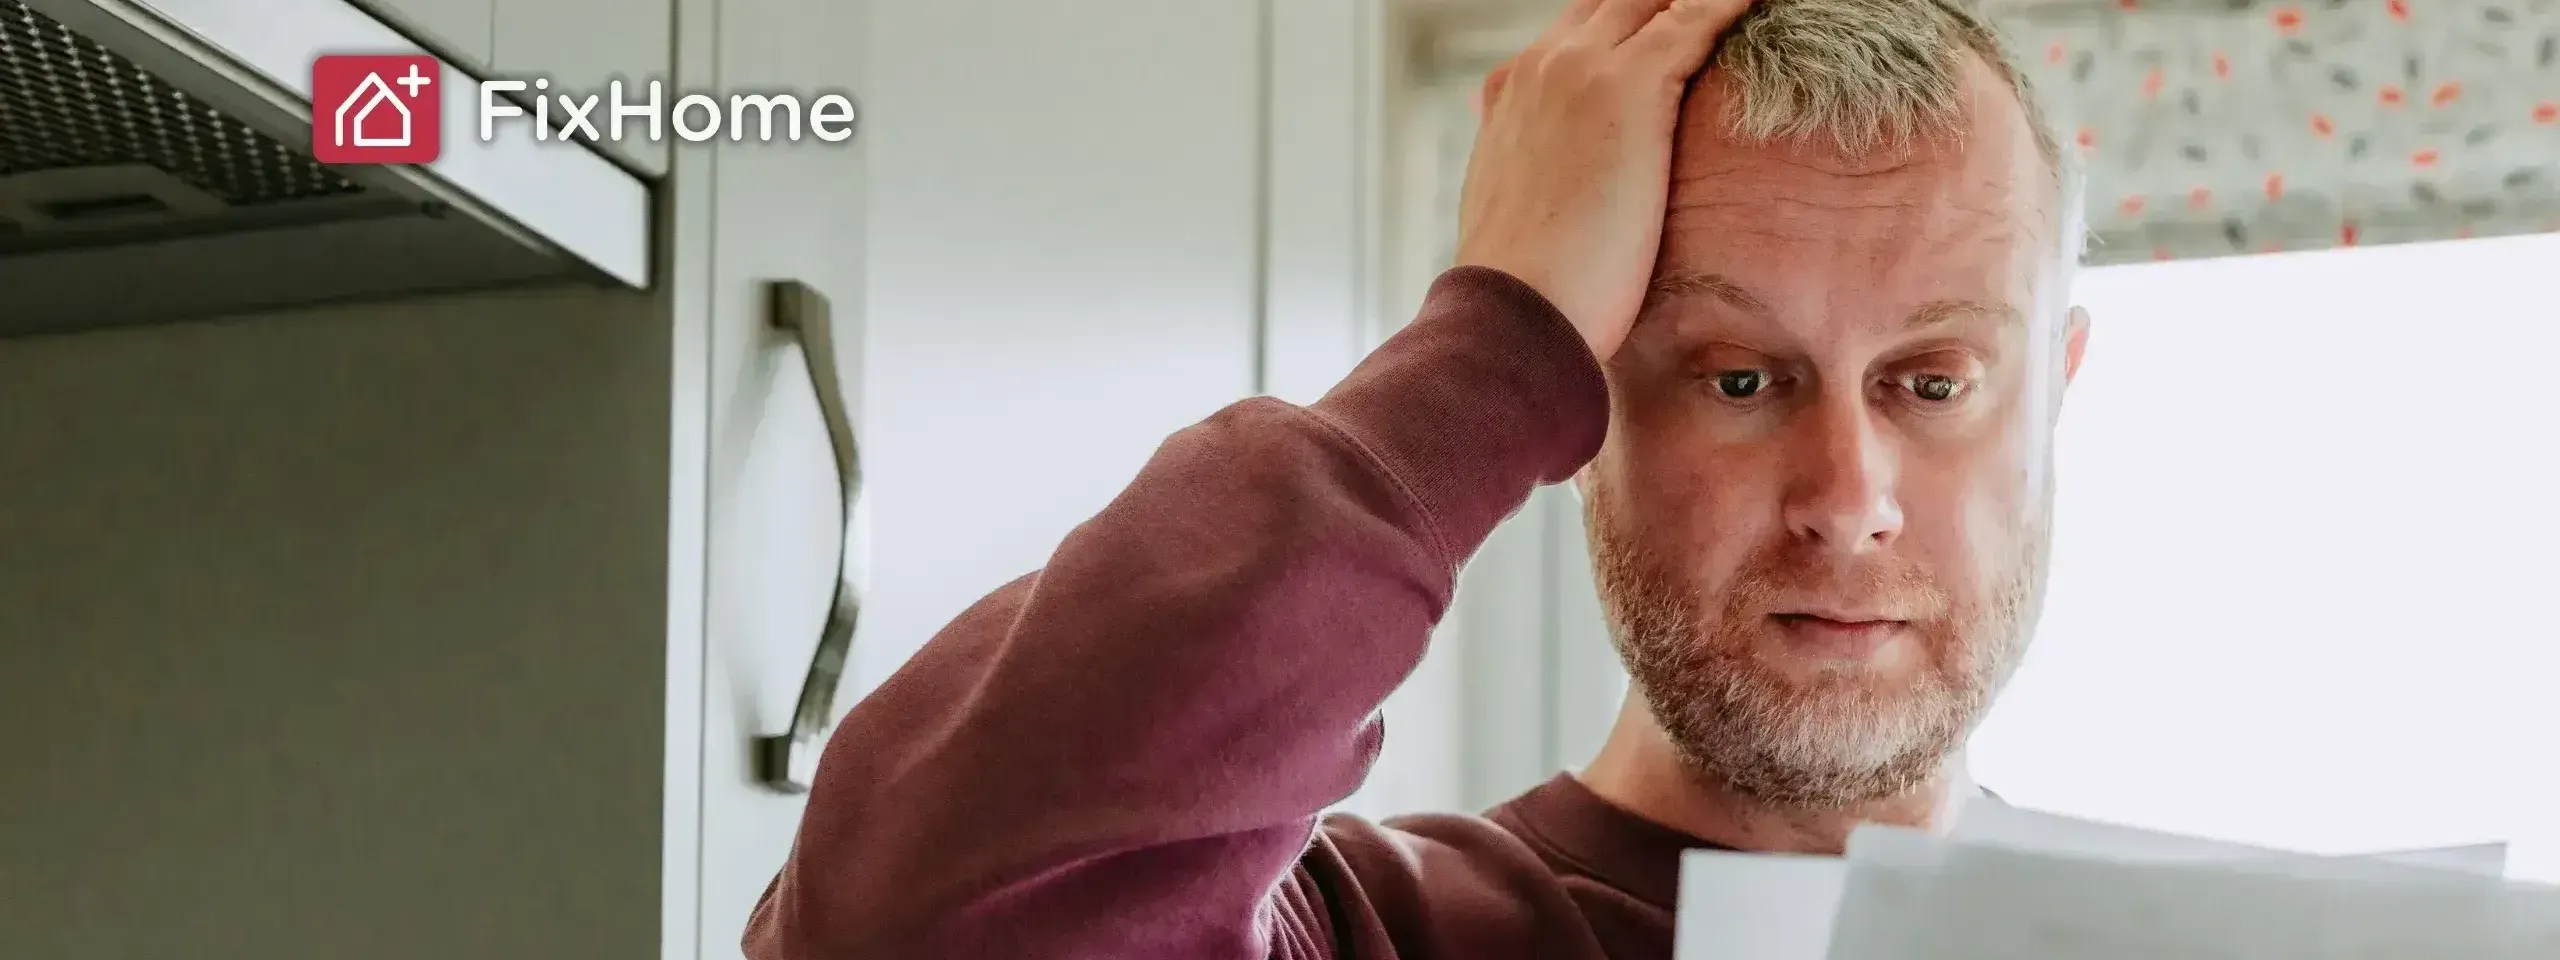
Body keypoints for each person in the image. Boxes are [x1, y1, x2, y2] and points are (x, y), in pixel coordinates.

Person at [743, 0, 2094, 956]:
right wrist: (1492, 343)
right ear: (1578, 407)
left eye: (1933, 384)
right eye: (1739, 377)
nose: (1849, 494)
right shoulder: (1368, 938)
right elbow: (916, 923)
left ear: (2060, 390)